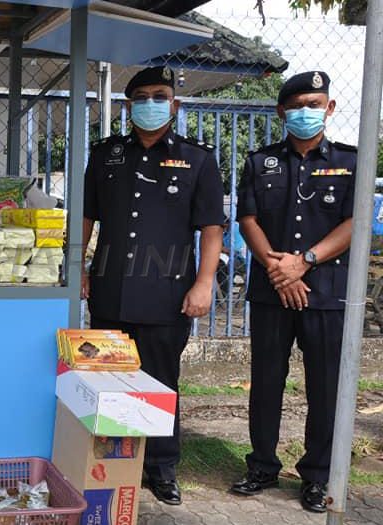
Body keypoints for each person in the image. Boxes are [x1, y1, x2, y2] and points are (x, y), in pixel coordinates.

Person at [81, 66, 225, 506]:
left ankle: (162, 469)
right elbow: (87, 215)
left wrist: (204, 284)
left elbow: (212, 227)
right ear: (128, 107)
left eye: (159, 96)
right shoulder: (105, 154)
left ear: (174, 104)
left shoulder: (198, 159)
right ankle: (110, 466)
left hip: (167, 294)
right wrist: (79, 269)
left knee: (161, 383)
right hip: (110, 289)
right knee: (109, 384)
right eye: (140, 97)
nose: (149, 104)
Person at [231, 71, 354, 514]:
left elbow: (354, 224)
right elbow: (248, 219)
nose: (306, 111)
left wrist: (304, 262)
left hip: (326, 293)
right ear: (282, 111)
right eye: (298, 104)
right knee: (266, 382)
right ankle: (261, 466)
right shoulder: (260, 161)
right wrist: (278, 268)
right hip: (271, 292)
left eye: (315, 103)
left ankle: (317, 477)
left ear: (330, 107)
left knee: (324, 388)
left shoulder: (351, 162)